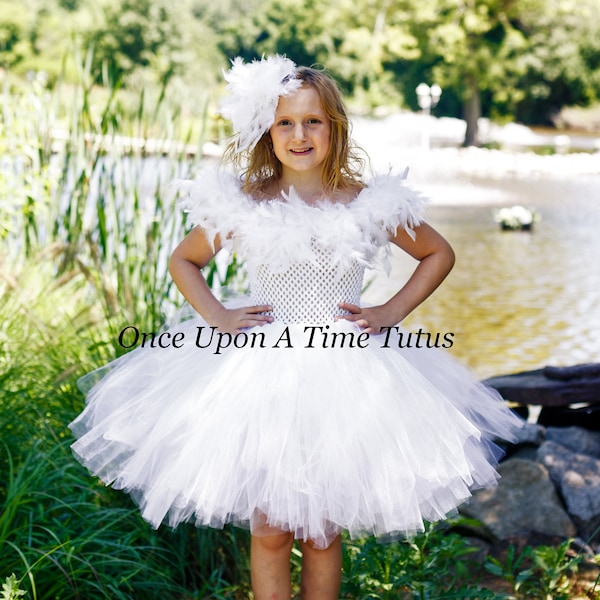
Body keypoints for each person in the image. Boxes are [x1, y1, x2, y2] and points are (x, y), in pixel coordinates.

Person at [70, 55, 523, 599]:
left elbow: (437, 253)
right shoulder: (245, 202)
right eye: (285, 122)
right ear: (268, 129)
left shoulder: (367, 202)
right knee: (269, 532)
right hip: (260, 372)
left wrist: (386, 312)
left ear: (335, 128)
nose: (299, 134)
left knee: (323, 533)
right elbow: (183, 261)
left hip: (346, 370)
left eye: (313, 121)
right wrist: (216, 315)